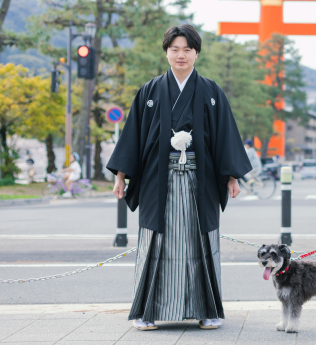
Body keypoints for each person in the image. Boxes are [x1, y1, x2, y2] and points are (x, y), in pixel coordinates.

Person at [107, 24, 252, 332]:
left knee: (201, 242)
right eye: (175, 49)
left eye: (187, 49)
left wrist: (231, 177)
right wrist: (121, 176)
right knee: (155, 241)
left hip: (200, 181)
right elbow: (133, 136)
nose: (181, 55)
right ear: (167, 52)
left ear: (196, 53)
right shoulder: (149, 91)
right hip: (156, 181)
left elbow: (225, 137)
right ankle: (147, 311)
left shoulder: (211, 92)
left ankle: (206, 309)